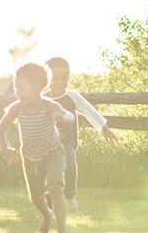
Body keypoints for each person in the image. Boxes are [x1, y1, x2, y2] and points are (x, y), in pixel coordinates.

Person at [0, 63, 75, 233]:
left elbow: (68, 116)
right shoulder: (16, 108)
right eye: (16, 88)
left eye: (22, 88)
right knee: (36, 198)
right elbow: (0, 129)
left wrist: (62, 117)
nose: (18, 92)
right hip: (30, 157)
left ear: (39, 88)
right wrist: (4, 150)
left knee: (56, 188)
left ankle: (62, 231)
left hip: (53, 153)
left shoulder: (48, 106)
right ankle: (47, 215)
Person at [44, 57, 119, 213]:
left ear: (68, 79)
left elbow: (89, 111)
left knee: (70, 165)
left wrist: (105, 129)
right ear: (47, 78)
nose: (59, 83)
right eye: (55, 78)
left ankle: (69, 195)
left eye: (63, 79)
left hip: (68, 142)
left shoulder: (72, 97)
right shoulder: (42, 99)